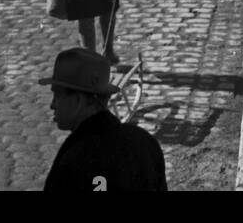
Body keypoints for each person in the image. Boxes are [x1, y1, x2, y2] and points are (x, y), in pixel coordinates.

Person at [39, 48, 167, 191]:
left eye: (57, 96)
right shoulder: (145, 142)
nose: (52, 105)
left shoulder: (74, 161)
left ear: (79, 100)